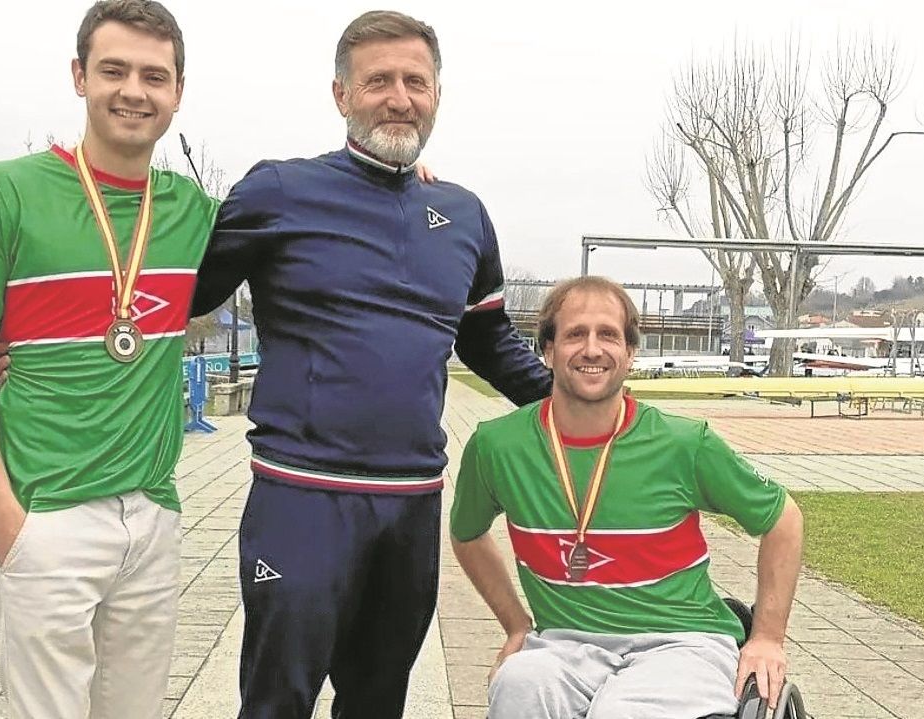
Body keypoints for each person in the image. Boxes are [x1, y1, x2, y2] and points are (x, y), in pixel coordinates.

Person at [190, 10, 553, 718]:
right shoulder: (278, 190)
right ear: (341, 95)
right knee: (276, 699)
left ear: (438, 94)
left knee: (378, 699)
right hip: (301, 496)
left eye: (415, 81)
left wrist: (590, 410)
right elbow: (179, 293)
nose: (399, 97)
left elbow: (488, 342)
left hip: (412, 504)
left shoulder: (465, 215)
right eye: (378, 80)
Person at [0, 2, 218, 716]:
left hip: (151, 516)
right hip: (43, 514)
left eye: (155, 76)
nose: (134, 90)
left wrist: (406, 177)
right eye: (114, 69)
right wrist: (5, 518)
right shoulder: (7, 191)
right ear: (78, 76)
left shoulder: (196, 212)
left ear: (178, 90)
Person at [450, 276, 805, 719]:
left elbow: (783, 519)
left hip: (683, 643)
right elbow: (466, 533)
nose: (592, 349)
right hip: (566, 642)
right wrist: (516, 625)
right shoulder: (496, 447)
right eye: (575, 334)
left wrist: (768, 637)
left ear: (630, 354)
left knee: (620, 711)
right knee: (519, 683)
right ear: (547, 350)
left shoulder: (684, 443)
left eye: (609, 335)